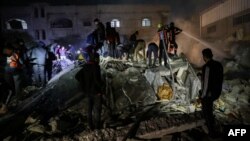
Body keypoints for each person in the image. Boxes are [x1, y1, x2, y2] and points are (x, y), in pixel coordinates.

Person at [75, 45, 102, 130]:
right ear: (96, 59)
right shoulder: (96, 67)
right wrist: (102, 88)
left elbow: (77, 76)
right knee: (97, 110)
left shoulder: (85, 67)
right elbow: (97, 80)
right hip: (96, 92)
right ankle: (97, 126)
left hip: (87, 92)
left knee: (89, 109)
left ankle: (90, 126)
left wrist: (83, 85)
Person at [199, 48, 223, 138]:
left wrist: (203, 96)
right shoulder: (219, 65)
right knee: (209, 110)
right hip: (217, 92)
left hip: (209, 94)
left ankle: (212, 133)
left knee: (207, 112)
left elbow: (206, 84)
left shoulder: (207, 67)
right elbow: (220, 78)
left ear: (204, 57)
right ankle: (212, 127)